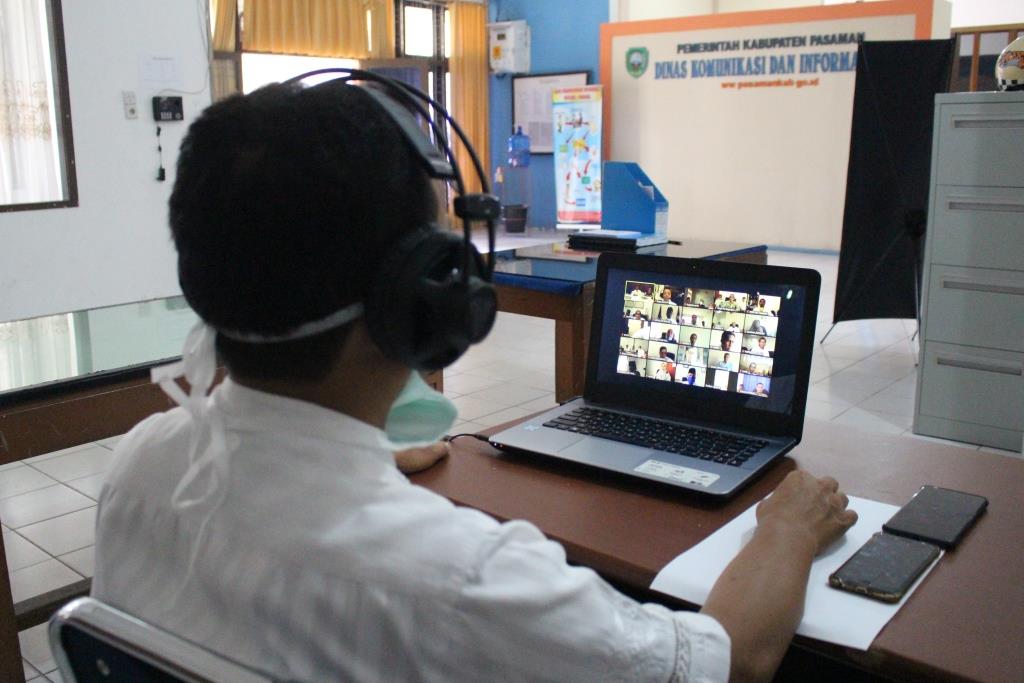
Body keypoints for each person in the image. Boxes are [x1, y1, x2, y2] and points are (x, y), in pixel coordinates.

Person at [92, 80, 857, 682]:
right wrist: (786, 529)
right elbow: (732, 661)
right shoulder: (459, 578)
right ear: (419, 298)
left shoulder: (139, 466)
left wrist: (346, 460)